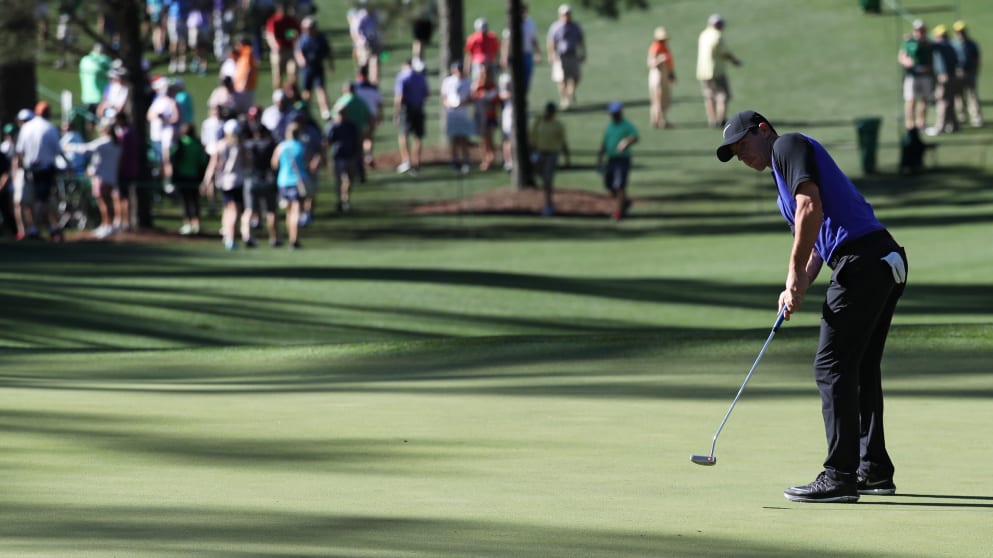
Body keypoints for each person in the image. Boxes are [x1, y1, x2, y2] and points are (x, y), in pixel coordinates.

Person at [715, 109, 908, 503]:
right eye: (734, 153)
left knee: (831, 364)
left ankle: (839, 475)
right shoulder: (781, 185)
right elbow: (817, 244)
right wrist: (799, 283)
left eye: (743, 145)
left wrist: (791, 274)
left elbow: (810, 209)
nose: (741, 156)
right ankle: (873, 469)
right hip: (884, 260)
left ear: (763, 131)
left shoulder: (788, 146)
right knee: (860, 366)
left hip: (865, 259)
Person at [61, 121, 122, 239]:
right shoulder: (115, 144)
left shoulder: (105, 142)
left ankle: (107, 225)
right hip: (110, 177)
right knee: (107, 202)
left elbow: (86, 148)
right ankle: (107, 225)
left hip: (101, 177)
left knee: (103, 202)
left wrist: (69, 147)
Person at [14, 102, 63, 242]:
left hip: (30, 169)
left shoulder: (27, 127)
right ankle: (39, 227)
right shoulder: (49, 127)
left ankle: (48, 227)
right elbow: (58, 150)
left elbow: (19, 151)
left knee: (38, 200)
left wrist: (20, 166)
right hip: (45, 169)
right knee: (42, 200)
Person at [202, 119, 246, 250]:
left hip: (223, 181)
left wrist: (206, 180)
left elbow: (212, 165)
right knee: (234, 210)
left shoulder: (220, 145)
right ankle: (231, 237)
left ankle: (227, 234)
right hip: (236, 181)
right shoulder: (239, 146)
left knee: (227, 208)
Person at [242, 105, 281, 247]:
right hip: (267, 179)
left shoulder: (248, 144)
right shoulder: (270, 143)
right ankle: (274, 237)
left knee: (250, 210)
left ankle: (248, 236)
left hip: (253, 179)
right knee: (270, 211)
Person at [696, 14, 742, 128]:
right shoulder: (717, 36)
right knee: (723, 95)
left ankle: (712, 120)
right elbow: (724, 53)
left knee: (709, 95)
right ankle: (721, 119)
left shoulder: (703, 34)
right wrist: (734, 61)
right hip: (715, 70)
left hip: (702, 71)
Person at [271, 121, 311, 249]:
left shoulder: (281, 147)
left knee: (289, 211)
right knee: (296, 210)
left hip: (282, 181)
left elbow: (274, 164)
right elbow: (307, 163)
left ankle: (290, 236)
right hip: (297, 181)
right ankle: (294, 239)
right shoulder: (301, 146)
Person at [596, 101, 638, 221]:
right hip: (611, 159)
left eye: (616, 113)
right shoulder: (610, 126)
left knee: (619, 185)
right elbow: (604, 143)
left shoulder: (626, 125)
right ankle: (624, 201)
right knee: (609, 184)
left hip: (623, 159)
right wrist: (599, 158)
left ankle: (619, 212)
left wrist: (626, 142)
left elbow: (635, 136)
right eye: (613, 113)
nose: (614, 115)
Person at [529, 101, 570, 217]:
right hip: (539, 153)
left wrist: (567, 158)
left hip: (551, 154)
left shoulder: (557, 125)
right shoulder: (539, 123)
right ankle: (545, 201)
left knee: (547, 180)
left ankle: (548, 205)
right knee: (540, 176)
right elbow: (533, 139)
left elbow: (563, 143)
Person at [171, 122, 208, 235]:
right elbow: (202, 160)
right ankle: (196, 224)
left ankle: (187, 224)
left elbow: (172, 157)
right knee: (195, 201)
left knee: (185, 201)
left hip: (182, 176)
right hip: (195, 176)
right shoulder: (197, 144)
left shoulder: (181, 143)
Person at [546, 4, 585, 110]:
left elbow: (581, 40)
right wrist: (551, 55)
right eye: (564, 14)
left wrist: (583, 53)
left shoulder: (575, 27)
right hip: (560, 55)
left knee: (576, 76)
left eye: (568, 14)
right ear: (560, 15)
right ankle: (565, 100)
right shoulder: (555, 27)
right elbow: (551, 42)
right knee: (562, 79)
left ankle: (570, 92)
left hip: (572, 54)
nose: (566, 16)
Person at [394, 58, 430, 175]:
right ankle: (417, 163)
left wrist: (397, 112)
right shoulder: (421, 77)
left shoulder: (402, 77)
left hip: (407, 108)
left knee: (403, 135)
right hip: (419, 108)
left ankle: (406, 161)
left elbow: (399, 96)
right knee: (417, 136)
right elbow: (426, 94)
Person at [295, 16, 335, 120]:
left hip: (318, 66)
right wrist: (301, 61)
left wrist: (330, 64)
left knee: (321, 88)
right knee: (307, 91)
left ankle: (325, 110)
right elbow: (298, 51)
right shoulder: (303, 38)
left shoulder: (321, 37)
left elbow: (328, 52)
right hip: (307, 68)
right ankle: (305, 110)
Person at [897, 19, 933, 131]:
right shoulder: (909, 43)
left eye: (922, 30)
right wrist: (907, 62)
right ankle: (910, 123)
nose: (920, 33)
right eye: (918, 30)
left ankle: (921, 122)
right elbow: (901, 56)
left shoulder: (928, 43)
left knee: (924, 100)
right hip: (912, 75)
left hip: (925, 75)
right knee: (910, 100)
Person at [323, 109, 360, 213]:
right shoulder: (332, 127)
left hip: (350, 156)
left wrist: (358, 154)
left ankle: (345, 198)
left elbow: (357, 140)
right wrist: (325, 157)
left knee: (349, 179)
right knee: (339, 180)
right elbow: (326, 142)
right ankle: (341, 200)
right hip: (337, 157)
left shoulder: (351, 126)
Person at [440, 61, 474, 173]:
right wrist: (449, 104)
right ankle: (455, 161)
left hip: (462, 114)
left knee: (464, 139)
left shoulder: (467, 82)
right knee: (454, 139)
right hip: (452, 114)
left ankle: (466, 161)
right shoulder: (448, 81)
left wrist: (463, 103)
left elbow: (470, 98)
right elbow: (444, 98)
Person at [927, 24, 959, 136]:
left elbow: (930, 44)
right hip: (952, 76)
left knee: (942, 102)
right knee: (949, 102)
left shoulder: (943, 45)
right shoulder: (950, 45)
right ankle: (954, 125)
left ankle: (940, 127)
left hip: (945, 77)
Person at [501, 2, 542, 91]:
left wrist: (538, 52)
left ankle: (523, 98)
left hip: (527, 54)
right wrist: (504, 56)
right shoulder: (511, 23)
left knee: (526, 79)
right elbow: (507, 41)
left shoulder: (530, 23)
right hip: (515, 55)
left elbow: (533, 39)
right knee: (515, 78)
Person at [951, 20, 983, 128]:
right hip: (957, 73)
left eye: (962, 31)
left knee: (972, 95)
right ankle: (961, 117)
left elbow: (977, 58)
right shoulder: (953, 44)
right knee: (959, 97)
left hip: (970, 72)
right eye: (958, 32)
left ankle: (976, 118)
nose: (961, 33)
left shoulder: (972, 44)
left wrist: (975, 70)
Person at [265, 1, 300, 89]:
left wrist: (288, 35)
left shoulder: (291, 20)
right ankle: (278, 93)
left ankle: (292, 93)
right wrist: (275, 47)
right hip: (278, 51)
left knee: (293, 72)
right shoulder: (274, 20)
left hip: (289, 49)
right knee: (278, 75)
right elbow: (270, 35)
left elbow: (296, 33)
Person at [647, 26, 676, 129]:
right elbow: (650, 63)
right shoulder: (655, 47)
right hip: (657, 76)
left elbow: (669, 63)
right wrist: (660, 59)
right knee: (658, 100)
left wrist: (672, 75)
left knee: (662, 99)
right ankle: (659, 121)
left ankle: (658, 120)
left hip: (663, 76)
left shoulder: (664, 47)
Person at [472, 64, 499, 171]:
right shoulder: (477, 86)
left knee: (489, 138)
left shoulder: (492, 86)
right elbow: (473, 98)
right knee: (483, 139)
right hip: (480, 116)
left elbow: (495, 99)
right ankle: (486, 158)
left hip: (490, 116)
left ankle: (491, 157)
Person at [79, 43, 112, 116]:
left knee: (88, 121)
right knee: (100, 122)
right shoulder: (105, 60)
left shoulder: (84, 60)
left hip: (86, 97)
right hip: (101, 98)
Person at [465, 17, 500, 82]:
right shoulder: (473, 39)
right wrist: (467, 67)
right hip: (478, 62)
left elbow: (496, 51)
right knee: (478, 81)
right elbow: (469, 54)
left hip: (490, 61)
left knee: (491, 82)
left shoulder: (492, 37)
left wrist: (497, 63)